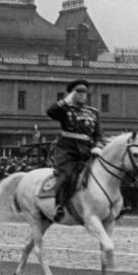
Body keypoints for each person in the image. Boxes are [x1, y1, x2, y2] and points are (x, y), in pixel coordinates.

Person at [46, 79, 103, 222]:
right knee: (66, 176)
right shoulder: (64, 110)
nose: (82, 95)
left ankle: (111, 206)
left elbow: (98, 133)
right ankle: (58, 206)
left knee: (106, 174)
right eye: (78, 92)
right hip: (68, 150)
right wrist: (65, 101)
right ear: (72, 94)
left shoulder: (93, 112)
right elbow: (51, 112)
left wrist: (98, 146)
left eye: (84, 92)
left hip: (88, 150)